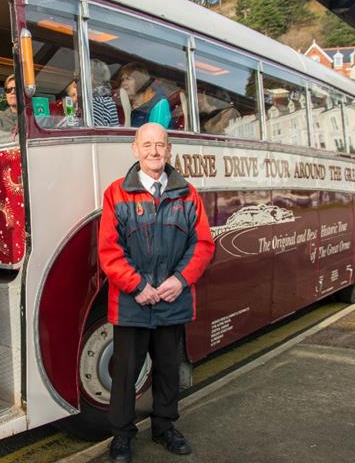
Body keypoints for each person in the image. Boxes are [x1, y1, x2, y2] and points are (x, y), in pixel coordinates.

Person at [97, 123, 215, 463]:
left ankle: (164, 427)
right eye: (147, 144)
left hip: (172, 299)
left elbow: (203, 245)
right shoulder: (116, 193)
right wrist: (138, 285)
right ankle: (121, 436)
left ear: (169, 150)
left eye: (160, 145)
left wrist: (180, 280)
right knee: (125, 374)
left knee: (167, 369)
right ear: (135, 149)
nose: (154, 151)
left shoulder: (187, 193)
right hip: (132, 301)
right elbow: (109, 251)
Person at [119, 63, 171, 128]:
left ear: (139, 80)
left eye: (128, 79)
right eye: (122, 80)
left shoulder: (159, 104)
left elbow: (155, 135)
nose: (123, 83)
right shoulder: (124, 104)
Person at [91, 59, 120, 127]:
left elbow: (96, 132)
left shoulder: (96, 101)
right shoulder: (107, 99)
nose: (75, 74)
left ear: (91, 76)